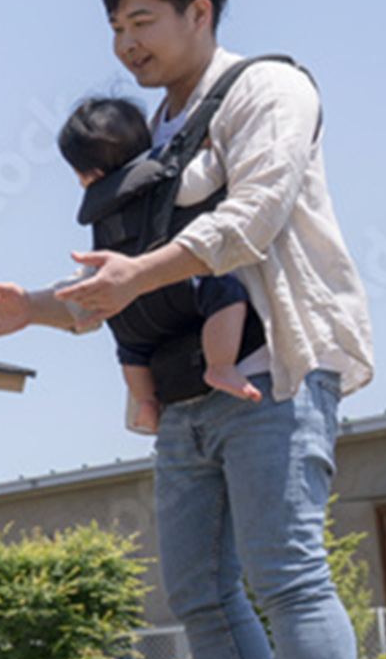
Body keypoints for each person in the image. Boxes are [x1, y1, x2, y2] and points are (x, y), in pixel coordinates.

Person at [0, 0, 373, 659]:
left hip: (273, 372)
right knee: (199, 591)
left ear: (201, 13)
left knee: (286, 573)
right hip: (184, 395)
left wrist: (133, 276)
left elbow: (251, 218)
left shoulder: (269, 89)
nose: (126, 43)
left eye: (141, 20)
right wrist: (33, 305)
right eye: (114, 26)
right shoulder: (155, 133)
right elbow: (126, 288)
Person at [55, 94, 261, 434]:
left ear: (87, 172)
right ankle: (220, 366)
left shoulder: (96, 202)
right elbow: (212, 173)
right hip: (175, 287)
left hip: (129, 311)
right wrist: (210, 144)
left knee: (130, 349)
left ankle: (147, 402)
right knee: (227, 293)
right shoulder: (168, 169)